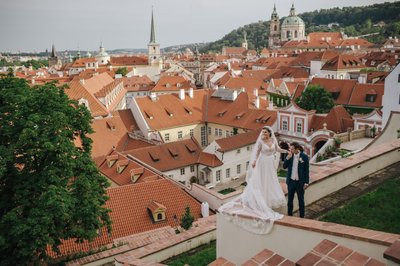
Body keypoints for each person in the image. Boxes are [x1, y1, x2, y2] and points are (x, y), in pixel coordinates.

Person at [218, 126, 289, 234]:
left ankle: (267, 199)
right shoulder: (261, 142)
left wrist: (286, 151)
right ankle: (260, 200)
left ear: (269, 133)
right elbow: (257, 153)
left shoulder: (273, 140)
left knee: (270, 181)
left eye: (265, 132)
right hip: (262, 162)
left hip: (270, 163)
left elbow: (277, 149)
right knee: (261, 181)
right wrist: (255, 161)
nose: (263, 134)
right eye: (262, 132)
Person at [283, 142, 310, 218]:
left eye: (292, 149)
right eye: (290, 149)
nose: (290, 150)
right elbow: (284, 166)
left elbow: (306, 170)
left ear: (297, 149)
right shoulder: (290, 155)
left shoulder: (304, 157)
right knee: (290, 200)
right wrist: (288, 157)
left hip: (300, 182)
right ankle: (289, 215)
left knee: (301, 200)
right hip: (291, 181)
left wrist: (306, 182)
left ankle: (302, 216)